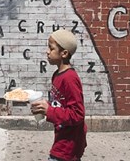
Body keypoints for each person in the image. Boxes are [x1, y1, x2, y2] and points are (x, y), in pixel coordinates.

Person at [31, 29, 87, 161]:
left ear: (64, 53)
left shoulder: (70, 78)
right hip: (62, 139)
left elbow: (78, 114)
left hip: (68, 145)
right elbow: (61, 104)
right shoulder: (56, 76)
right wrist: (45, 106)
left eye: (51, 48)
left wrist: (49, 111)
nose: (47, 51)